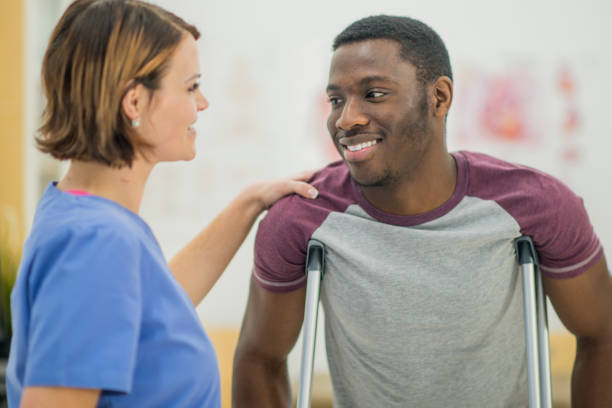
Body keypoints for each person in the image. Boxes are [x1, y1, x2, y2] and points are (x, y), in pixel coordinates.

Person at [232, 15, 612, 407]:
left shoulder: (537, 205)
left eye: (374, 94)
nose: (346, 119)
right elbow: (260, 358)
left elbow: (602, 334)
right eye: (336, 100)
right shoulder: (303, 217)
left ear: (439, 98)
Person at [6, 1, 318, 407]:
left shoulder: (85, 215)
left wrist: (251, 202)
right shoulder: (96, 242)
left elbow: (158, 311)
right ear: (134, 102)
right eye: (191, 86)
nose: (202, 103)